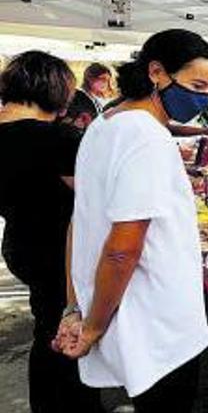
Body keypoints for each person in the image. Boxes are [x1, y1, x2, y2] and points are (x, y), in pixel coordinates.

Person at [55, 29, 208, 411]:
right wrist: (92, 325)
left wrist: (74, 306)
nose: (203, 98)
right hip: (157, 323)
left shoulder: (107, 123)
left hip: (130, 315)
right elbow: (121, 249)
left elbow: (78, 223)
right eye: (197, 85)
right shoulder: (145, 135)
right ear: (157, 72)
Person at [0, 51, 103, 413]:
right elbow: (98, 199)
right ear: (56, 91)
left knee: (46, 325)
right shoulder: (57, 138)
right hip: (58, 251)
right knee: (67, 333)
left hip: (19, 245)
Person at [61, 62, 112, 130]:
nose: (105, 83)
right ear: (90, 78)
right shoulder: (78, 96)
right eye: (101, 79)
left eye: (107, 80)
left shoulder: (100, 98)